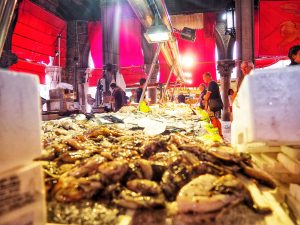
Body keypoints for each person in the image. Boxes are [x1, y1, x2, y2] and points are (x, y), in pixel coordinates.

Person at [203, 72, 223, 137]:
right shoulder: (214, 83)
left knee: (213, 119)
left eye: (204, 77)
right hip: (217, 105)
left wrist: (204, 97)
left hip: (214, 105)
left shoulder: (211, 84)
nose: (204, 79)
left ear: (208, 76)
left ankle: (217, 134)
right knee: (216, 119)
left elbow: (207, 96)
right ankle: (220, 134)